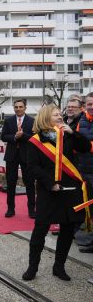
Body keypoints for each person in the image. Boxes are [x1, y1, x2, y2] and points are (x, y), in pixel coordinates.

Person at [22, 104, 92, 282]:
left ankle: (59, 266)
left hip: (70, 191)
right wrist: (49, 183)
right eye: (55, 115)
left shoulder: (67, 136)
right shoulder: (35, 141)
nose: (60, 117)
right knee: (40, 230)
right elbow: (32, 168)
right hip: (48, 191)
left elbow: (85, 147)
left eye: (60, 114)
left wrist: (73, 133)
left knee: (68, 230)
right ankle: (32, 267)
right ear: (46, 118)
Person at [1, 99, 35, 218]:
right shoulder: (8, 121)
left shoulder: (32, 121)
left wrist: (23, 136)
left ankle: (32, 209)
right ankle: (10, 209)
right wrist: (14, 136)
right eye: (16, 107)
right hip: (11, 156)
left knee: (30, 183)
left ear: (25, 107)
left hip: (27, 157)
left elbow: (35, 138)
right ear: (13, 108)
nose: (18, 109)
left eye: (21, 107)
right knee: (11, 183)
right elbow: (3, 136)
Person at [75, 92, 93, 254]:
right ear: (85, 106)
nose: (92, 107)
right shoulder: (82, 120)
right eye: (89, 104)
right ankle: (91, 241)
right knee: (90, 208)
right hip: (84, 169)